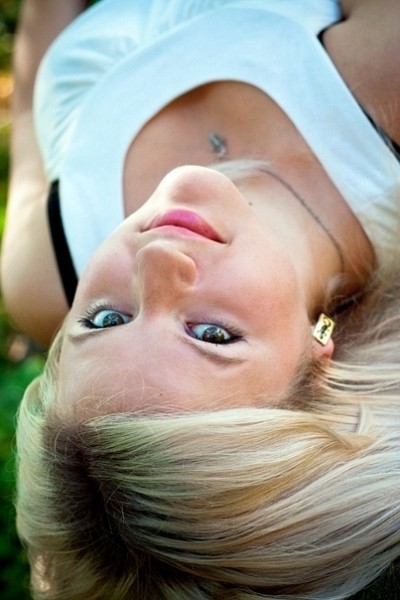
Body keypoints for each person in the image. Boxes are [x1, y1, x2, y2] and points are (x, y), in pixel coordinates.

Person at [1, 0, 399, 598]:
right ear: (317, 367)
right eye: (211, 335)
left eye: (106, 319)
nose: (157, 261)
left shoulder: (42, 278)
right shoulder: (385, 93)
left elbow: (31, 92)